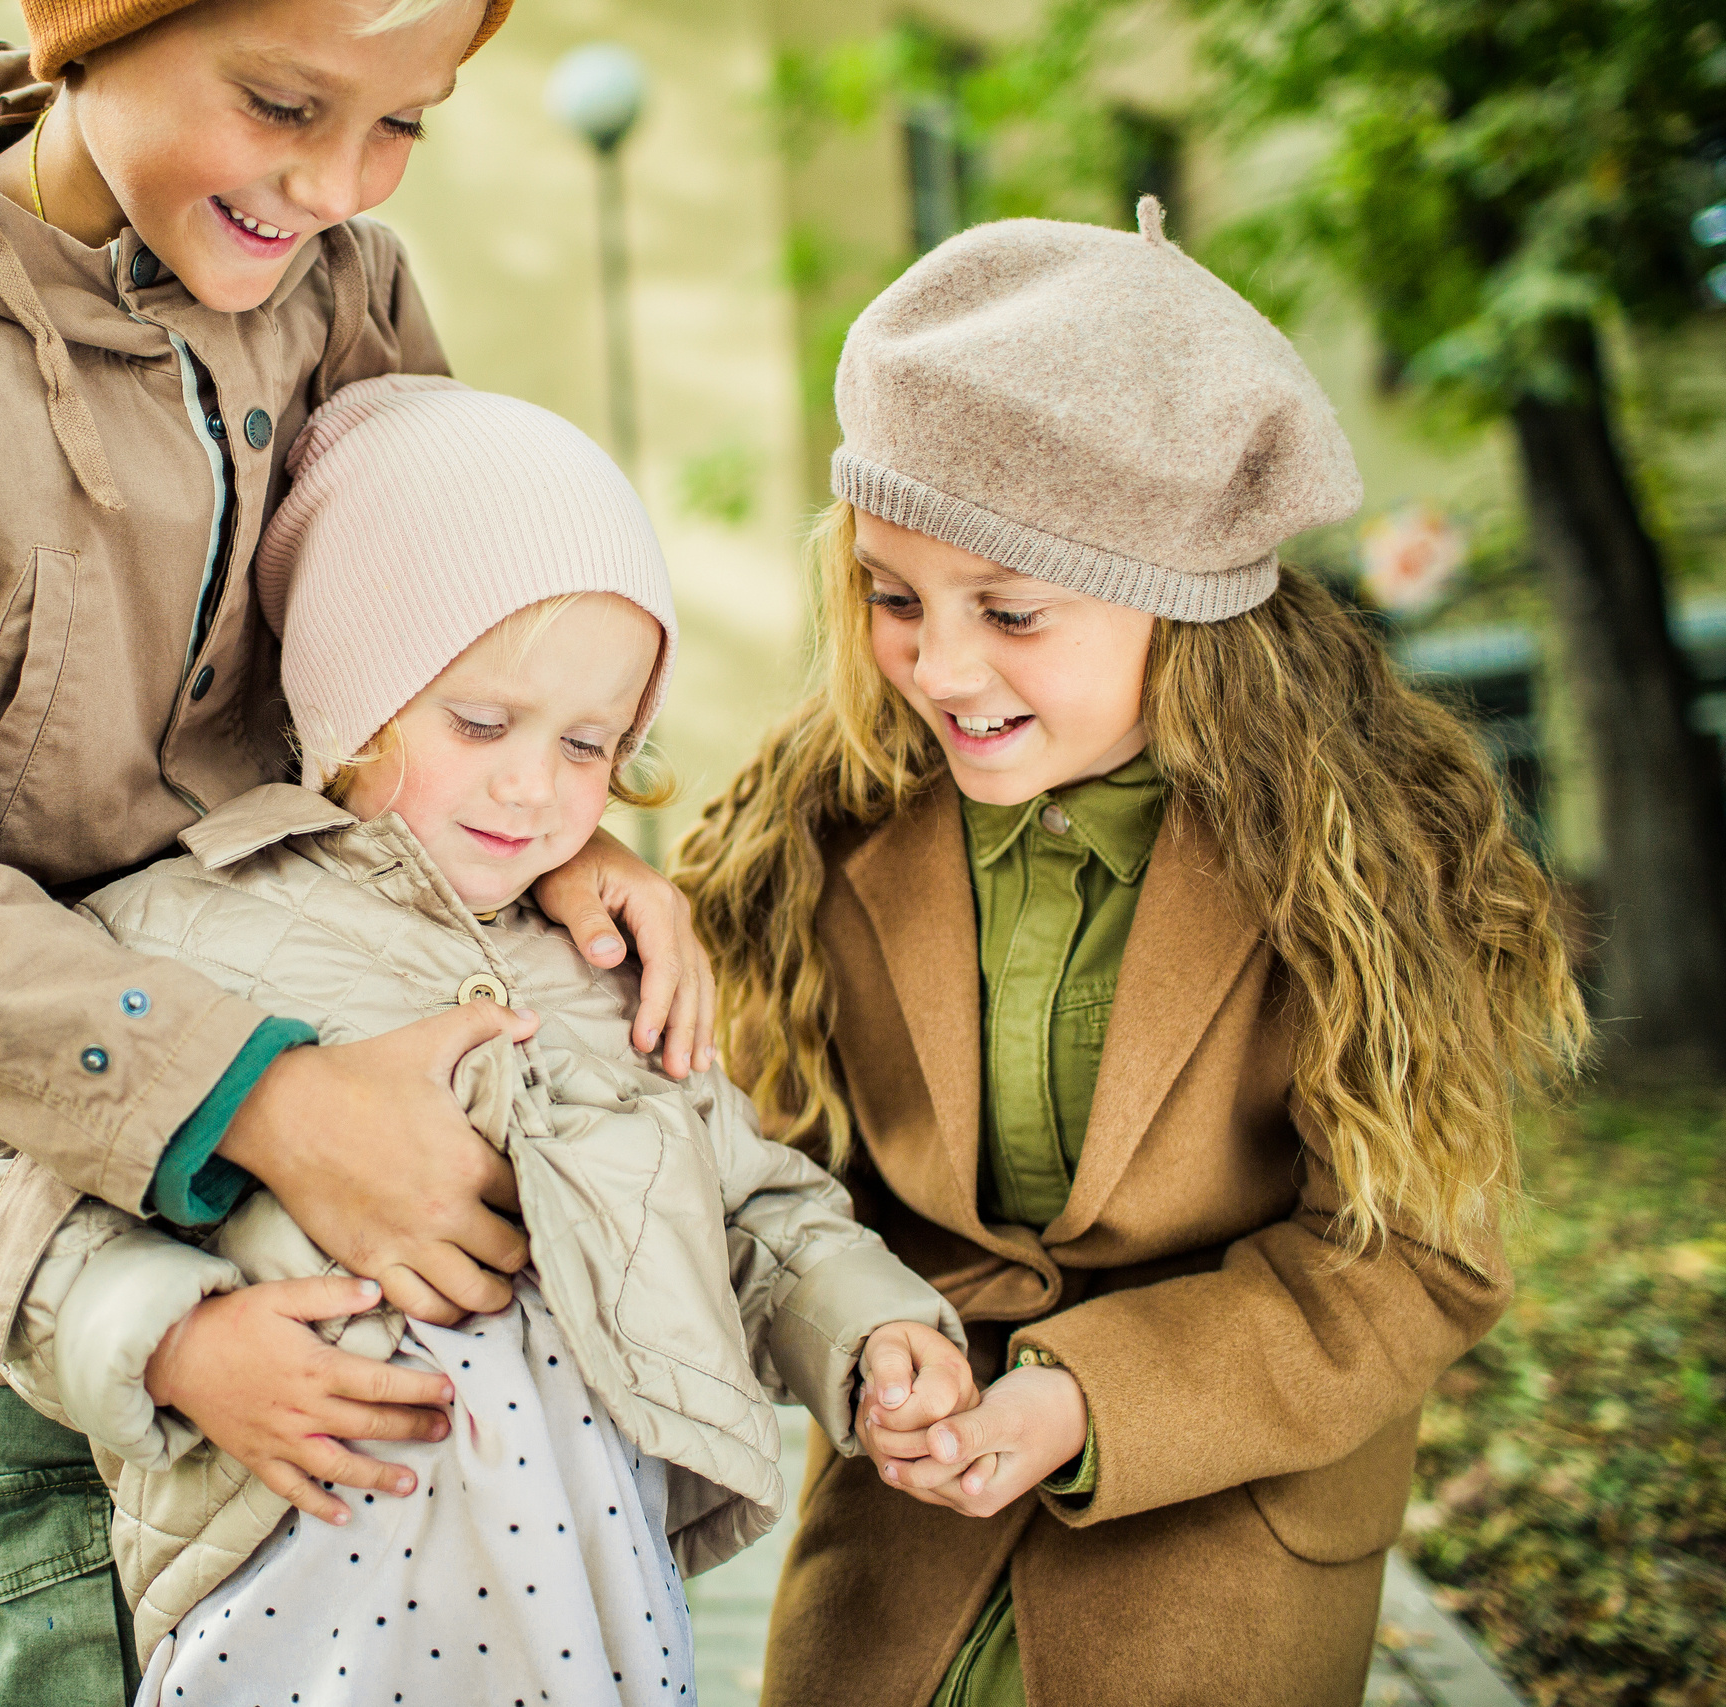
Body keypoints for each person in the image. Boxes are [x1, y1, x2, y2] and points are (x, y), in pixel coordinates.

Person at [0, 4, 717, 1701]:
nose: (334, 182)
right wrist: (259, 1098)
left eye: (403, 124)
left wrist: (567, 846)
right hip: (14, 1231)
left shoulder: (350, 290)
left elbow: (448, 636)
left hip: (333, 1214)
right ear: (89, 34)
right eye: (279, 103)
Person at [0, 377, 977, 1707]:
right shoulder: (179, 932)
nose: (535, 784)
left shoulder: (608, 971)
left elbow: (755, 1209)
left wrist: (870, 1333)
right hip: (300, 1619)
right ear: (352, 693)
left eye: (591, 745)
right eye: (481, 724)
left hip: (585, 1611)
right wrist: (176, 1346)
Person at [675, 199, 1590, 1707]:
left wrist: (1086, 1399)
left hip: (1220, 1534)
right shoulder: (820, 831)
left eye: (1012, 612)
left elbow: (1414, 1259)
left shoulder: (1358, 866)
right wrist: (862, 1338)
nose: (940, 666)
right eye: (894, 599)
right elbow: (775, 1175)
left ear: (1185, 611)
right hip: (905, 1539)